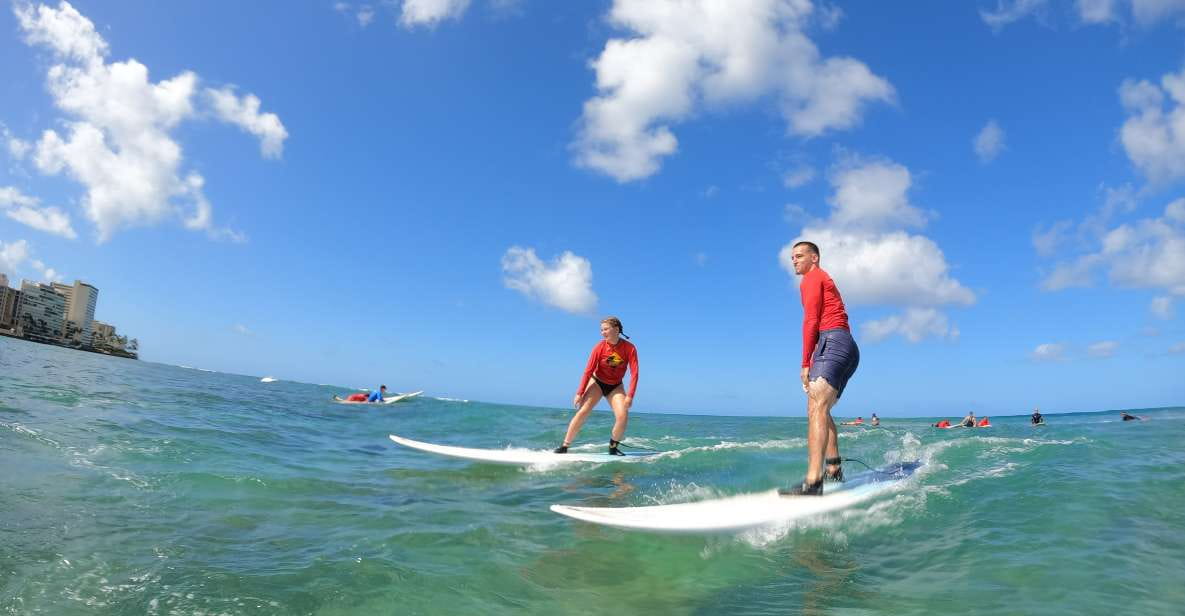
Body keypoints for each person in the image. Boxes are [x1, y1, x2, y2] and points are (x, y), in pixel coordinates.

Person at [780, 241, 859, 496]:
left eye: (800, 256)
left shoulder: (812, 278)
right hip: (846, 346)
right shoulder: (822, 278)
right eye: (792, 257)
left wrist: (805, 362)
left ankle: (813, 481)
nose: (794, 260)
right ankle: (833, 468)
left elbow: (811, 320)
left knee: (817, 408)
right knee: (817, 407)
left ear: (814, 258)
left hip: (832, 341)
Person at [554, 316, 639, 456]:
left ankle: (613, 447)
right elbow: (588, 370)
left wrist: (630, 396)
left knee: (623, 415)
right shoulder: (599, 347)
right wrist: (579, 392)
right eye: (601, 330)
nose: (602, 332)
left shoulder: (629, 348)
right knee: (583, 411)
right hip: (597, 382)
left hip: (616, 386)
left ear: (616, 329)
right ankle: (565, 446)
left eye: (606, 329)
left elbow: (635, 373)